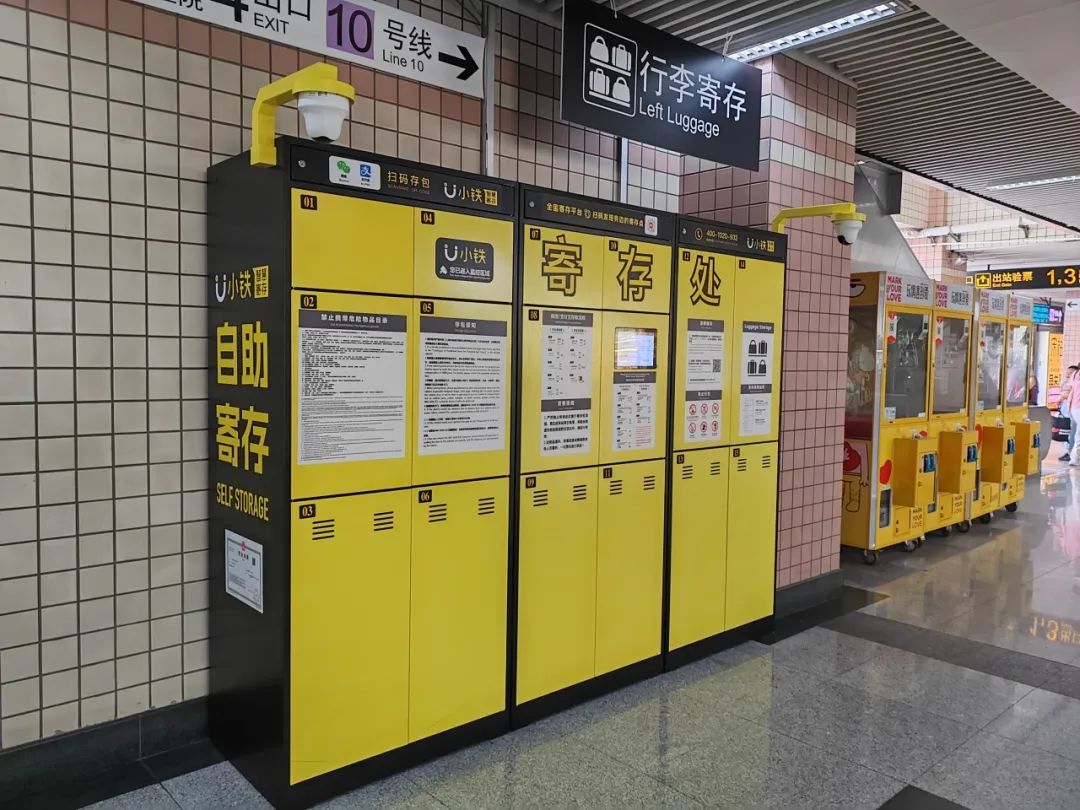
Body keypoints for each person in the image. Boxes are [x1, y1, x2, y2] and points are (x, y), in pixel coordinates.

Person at [1063, 364, 1080, 463]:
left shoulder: (1075, 374)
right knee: (1077, 433)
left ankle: (1073, 456)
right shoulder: (1075, 374)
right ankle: (1074, 458)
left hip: (1073, 407)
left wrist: (1062, 397)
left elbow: (1068, 389)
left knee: (1076, 432)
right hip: (1077, 406)